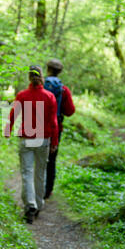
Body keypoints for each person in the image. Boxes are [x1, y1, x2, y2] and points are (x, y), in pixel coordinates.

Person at [4, 65, 59, 224]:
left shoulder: (22, 95)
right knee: (40, 173)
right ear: (41, 77)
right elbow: (53, 122)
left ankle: (30, 206)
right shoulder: (49, 97)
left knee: (27, 173)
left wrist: (8, 130)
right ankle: (38, 204)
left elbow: (14, 113)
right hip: (43, 139)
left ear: (29, 78)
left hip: (26, 139)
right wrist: (54, 142)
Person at [44, 58, 75, 199]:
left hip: (38, 127)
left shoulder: (41, 85)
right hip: (56, 128)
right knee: (51, 159)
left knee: (37, 158)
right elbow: (70, 111)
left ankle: (36, 190)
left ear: (48, 69)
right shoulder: (64, 90)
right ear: (59, 72)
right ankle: (48, 190)